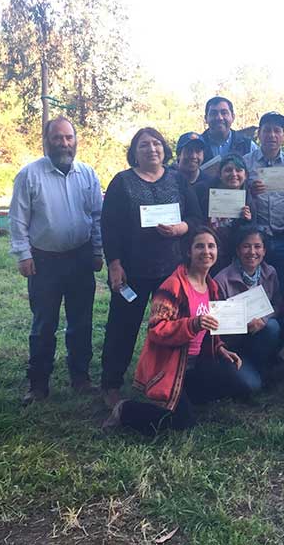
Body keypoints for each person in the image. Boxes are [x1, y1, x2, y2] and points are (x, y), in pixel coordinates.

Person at [102, 227, 260, 436]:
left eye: (211, 246)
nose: (206, 251)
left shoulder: (211, 287)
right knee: (182, 422)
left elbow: (210, 329)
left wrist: (220, 348)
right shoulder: (173, 286)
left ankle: (183, 397)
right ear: (188, 252)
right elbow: (156, 330)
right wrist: (192, 324)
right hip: (171, 366)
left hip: (196, 364)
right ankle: (125, 410)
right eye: (199, 246)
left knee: (243, 382)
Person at [100, 127, 203, 407]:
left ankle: (166, 378)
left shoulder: (178, 180)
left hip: (171, 271)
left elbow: (196, 218)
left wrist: (182, 227)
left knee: (170, 327)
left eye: (156, 143)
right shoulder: (121, 183)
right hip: (133, 270)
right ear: (134, 151)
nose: (151, 149)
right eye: (144, 145)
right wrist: (115, 264)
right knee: (122, 326)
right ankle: (111, 384)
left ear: (164, 149)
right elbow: (110, 228)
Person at [9, 116, 104, 405]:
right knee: (43, 324)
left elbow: (97, 216)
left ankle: (81, 378)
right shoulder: (29, 175)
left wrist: (98, 251)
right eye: (57, 138)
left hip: (80, 258)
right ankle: (38, 385)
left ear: (76, 141)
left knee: (81, 322)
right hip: (44, 261)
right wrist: (23, 255)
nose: (64, 143)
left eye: (68, 138)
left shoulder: (87, 174)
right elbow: (18, 219)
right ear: (46, 141)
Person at [214, 225, 283, 374]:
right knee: (249, 385)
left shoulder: (270, 273)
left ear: (264, 251)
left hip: (260, 333)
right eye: (246, 246)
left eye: (257, 246)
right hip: (232, 342)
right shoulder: (221, 280)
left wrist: (264, 319)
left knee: (273, 327)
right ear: (238, 250)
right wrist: (241, 323)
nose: (252, 252)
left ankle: (263, 364)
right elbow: (216, 321)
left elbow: (277, 304)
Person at [244, 111, 284, 288]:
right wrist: (249, 193)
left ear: (283, 136)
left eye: (277, 131)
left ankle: (283, 316)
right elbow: (233, 195)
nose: (272, 135)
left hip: (283, 234)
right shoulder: (245, 163)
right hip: (256, 236)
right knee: (255, 284)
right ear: (259, 134)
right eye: (267, 130)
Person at [195, 153, 254, 274]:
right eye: (228, 170)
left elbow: (251, 233)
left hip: (233, 257)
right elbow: (196, 221)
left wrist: (247, 220)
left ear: (246, 175)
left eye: (239, 170)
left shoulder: (248, 198)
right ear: (220, 175)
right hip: (207, 253)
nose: (234, 174)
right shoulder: (203, 192)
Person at [200, 96, 257, 164]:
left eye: (224, 113)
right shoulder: (197, 146)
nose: (219, 118)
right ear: (206, 118)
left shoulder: (248, 146)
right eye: (214, 113)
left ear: (233, 117)